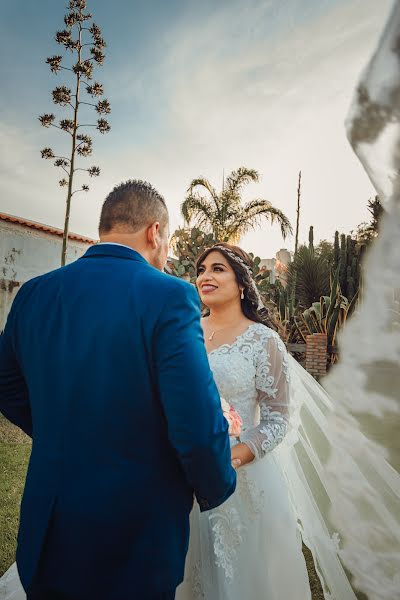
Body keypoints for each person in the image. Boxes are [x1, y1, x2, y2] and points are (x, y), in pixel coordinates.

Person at [0, 181, 236, 600]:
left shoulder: (34, 293)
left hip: (49, 525)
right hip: (133, 534)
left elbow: (6, 384)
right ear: (154, 232)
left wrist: (62, 433)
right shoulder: (169, 296)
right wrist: (217, 485)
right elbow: (196, 426)